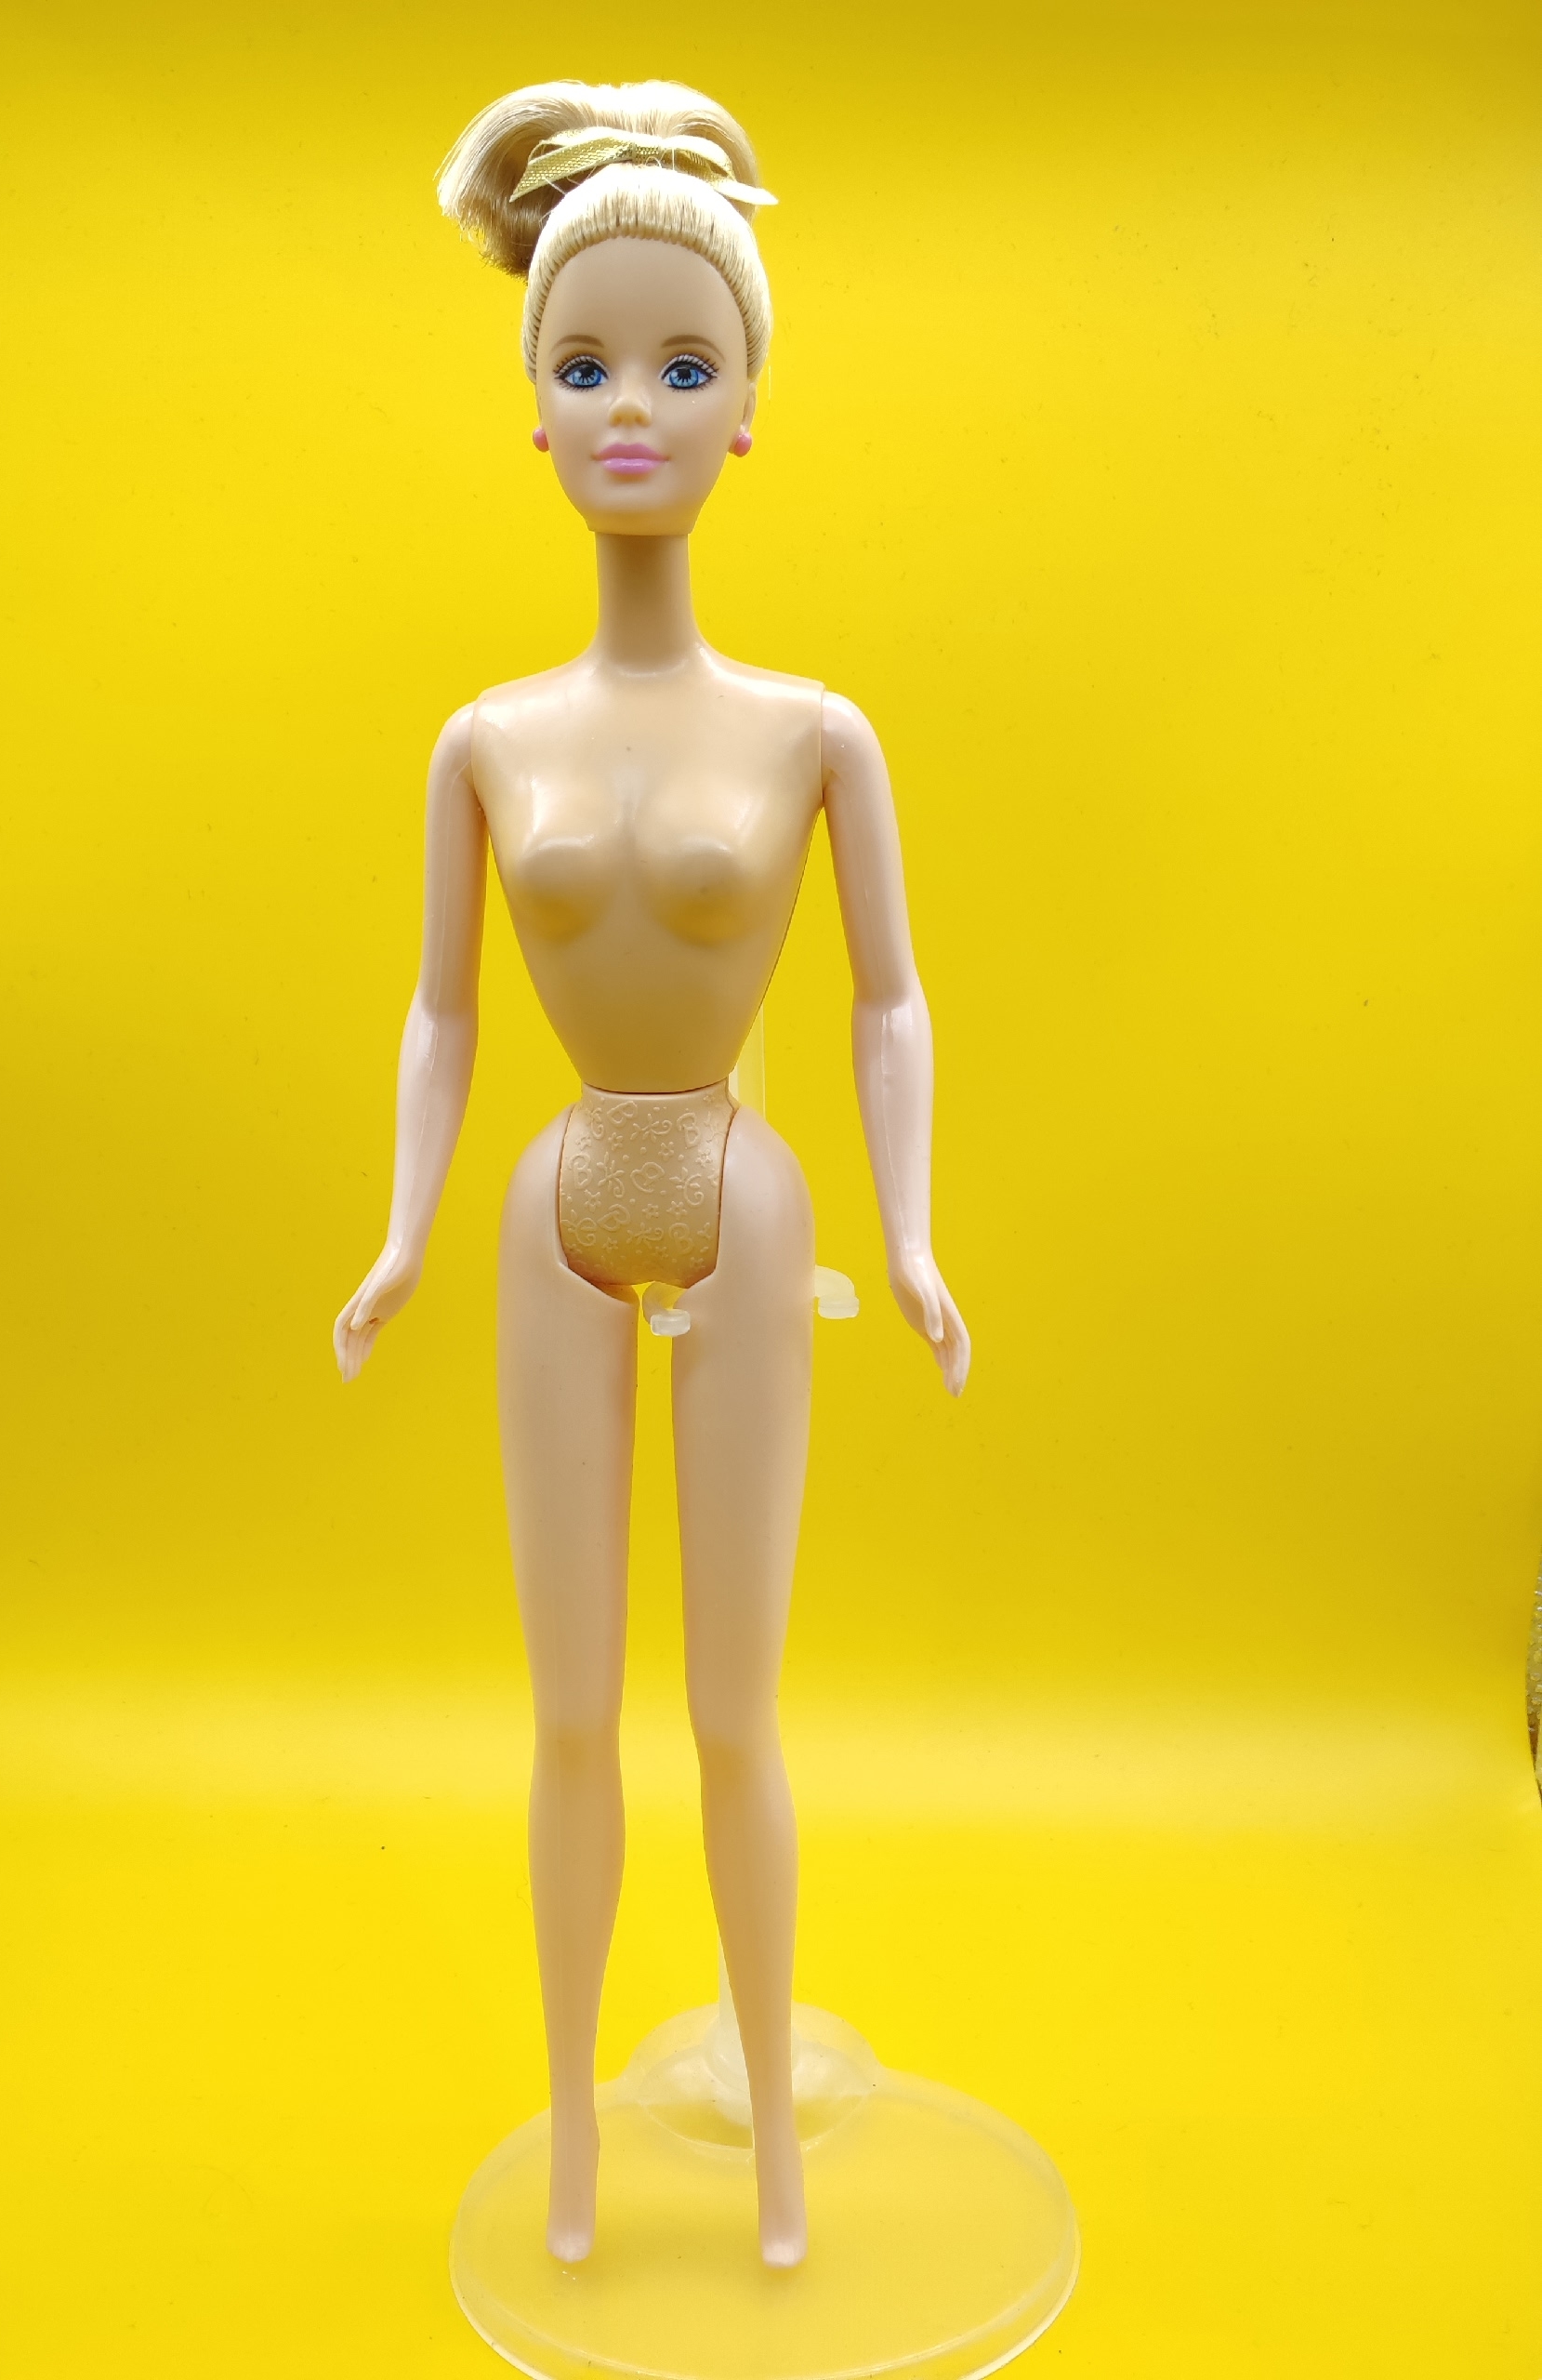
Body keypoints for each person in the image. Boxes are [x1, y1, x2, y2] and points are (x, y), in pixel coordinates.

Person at [334, 79, 969, 2270]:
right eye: (588, 364)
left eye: (683, 366)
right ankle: (579, 2152)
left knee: (731, 1712)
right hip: (554, 1204)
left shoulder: (811, 730)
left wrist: (906, 1232)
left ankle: (777, 2157)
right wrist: (404, 1232)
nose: (632, 408)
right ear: (532, 410)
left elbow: (887, 1001)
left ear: (747, 412)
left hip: (739, 1191)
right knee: (569, 1713)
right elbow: (441, 1015)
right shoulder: (485, 740)